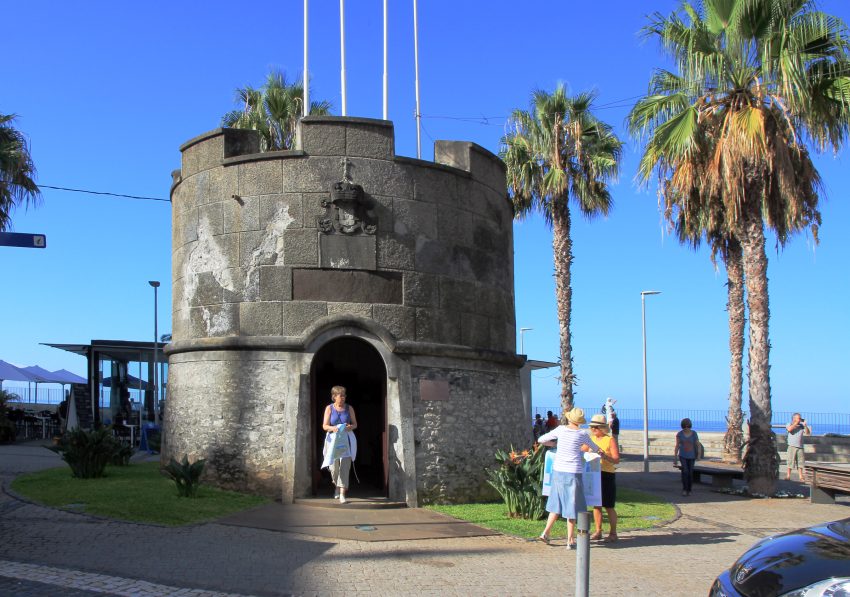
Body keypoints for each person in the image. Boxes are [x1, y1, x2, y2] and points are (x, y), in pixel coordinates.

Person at [536, 408, 599, 549]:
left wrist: (554, 445)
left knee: (556, 503)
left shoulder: (560, 430)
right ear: (580, 422)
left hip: (558, 470)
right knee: (572, 504)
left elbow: (541, 439)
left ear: (569, 418)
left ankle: (545, 533)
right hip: (573, 472)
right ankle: (570, 540)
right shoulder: (582, 434)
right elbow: (594, 448)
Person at [585, 414, 619, 542]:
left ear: (602, 428)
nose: (593, 429)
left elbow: (616, 459)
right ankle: (598, 531)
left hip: (607, 474)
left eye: (596, 427)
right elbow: (581, 450)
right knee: (596, 504)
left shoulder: (609, 440)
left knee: (608, 505)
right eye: (592, 427)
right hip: (594, 473)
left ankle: (613, 532)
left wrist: (604, 456)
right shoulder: (591, 439)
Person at [321, 385, 358, 504]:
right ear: (334, 397)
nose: (343, 398)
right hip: (333, 440)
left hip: (346, 439)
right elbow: (324, 426)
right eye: (340, 396)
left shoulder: (349, 408)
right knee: (333, 467)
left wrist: (349, 427)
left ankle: (342, 494)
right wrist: (333, 428)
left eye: (344, 395)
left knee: (345, 466)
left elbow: (355, 424)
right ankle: (336, 486)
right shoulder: (329, 408)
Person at [674, 418, 700, 496]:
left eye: (688, 426)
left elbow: (698, 445)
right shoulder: (680, 434)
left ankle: (689, 489)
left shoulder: (694, 434)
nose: (686, 428)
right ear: (683, 426)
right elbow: (677, 446)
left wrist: (698, 455)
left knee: (690, 473)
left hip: (692, 456)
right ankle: (685, 489)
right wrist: (675, 457)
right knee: (685, 472)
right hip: (683, 456)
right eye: (685, 426)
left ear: (690, 426)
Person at [785, 413, 811, 481]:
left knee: (800, 463)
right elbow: (789, 429)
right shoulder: (789, 424)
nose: (800, 419)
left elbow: (808, 433)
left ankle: (801, 476)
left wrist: (805, 426)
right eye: (798, 418)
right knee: (790, 461)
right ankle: (788, 476)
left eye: (800, 418)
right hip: (792, 446)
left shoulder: (802, 426)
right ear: (794, 418)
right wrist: (796, 423)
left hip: (800, 447)